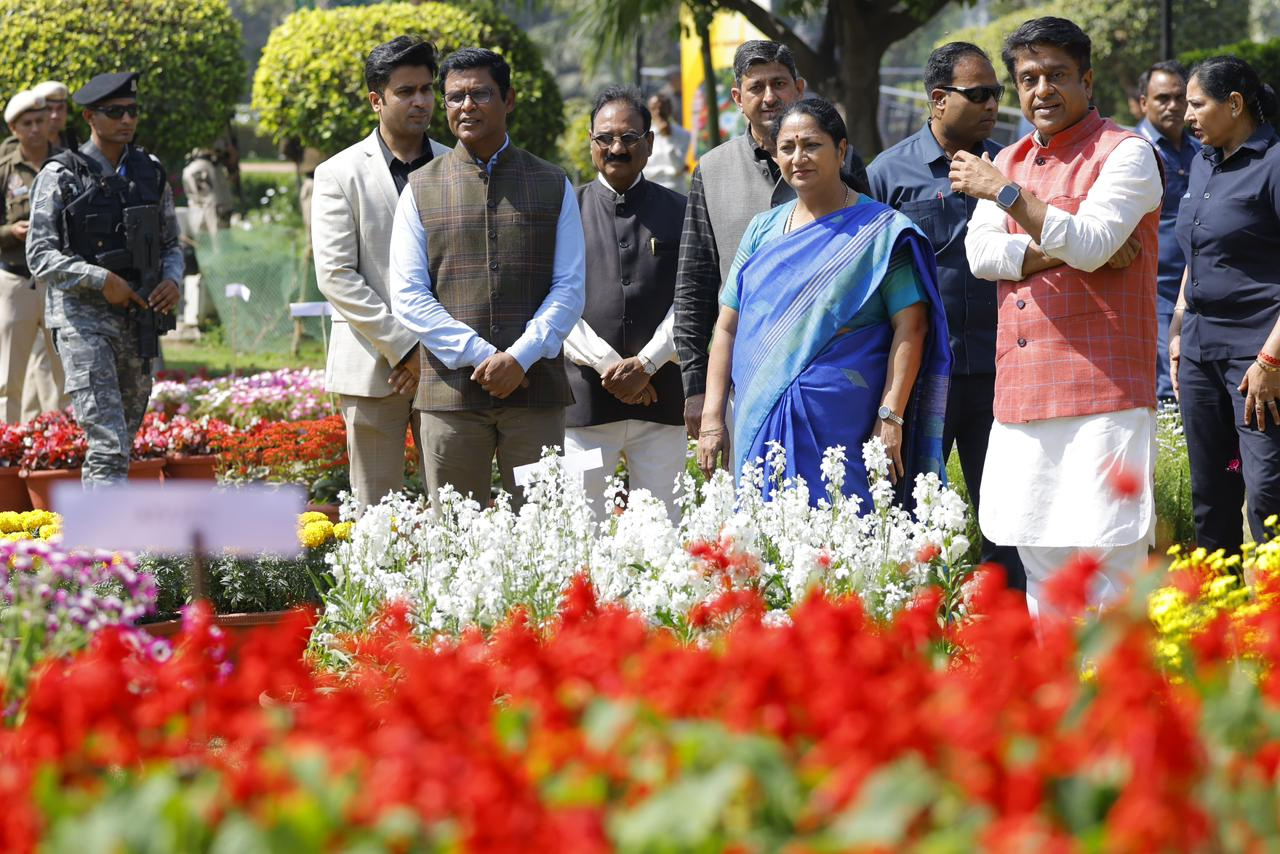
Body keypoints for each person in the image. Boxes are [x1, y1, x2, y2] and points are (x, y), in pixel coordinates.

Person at [956, 17, 1163, 616]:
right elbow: (981, 256)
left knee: (1110, 556)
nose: (1042, 90)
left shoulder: (1127, 153)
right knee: (1042, 560)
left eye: (1057, 75)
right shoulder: (1010, 158)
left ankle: (1117, 679)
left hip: (1104, 391)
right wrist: (1060, 246)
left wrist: (1007, 196)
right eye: (1028, 78)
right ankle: (1057, 678)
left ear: (1087, 81)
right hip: (1023, 394)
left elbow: (1094, 242)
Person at [697, 98, 950, 510]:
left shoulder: (881, 232)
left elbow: (912, 326)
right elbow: (727, 326)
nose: (798, 158)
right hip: (759, 415)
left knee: (845, 532)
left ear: (841, 150)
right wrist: (712, 418)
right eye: (787, 147)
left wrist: (890, 416)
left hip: (845, 422)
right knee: (764, 536)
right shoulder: (762, 230)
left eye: (812, 145)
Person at [389, 48, 585, 509]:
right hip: (451, 398)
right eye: (455, 97)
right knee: (457, 535)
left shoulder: (552, 182)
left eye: (480, 94)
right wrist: (481, 354)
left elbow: (570, 286)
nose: (466, 106)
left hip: (534, 393)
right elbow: (408, 295)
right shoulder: (419, 187)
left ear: (508, 99)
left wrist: (520, 357)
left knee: (542, 531)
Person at [867, 42, 1024, 592]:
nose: (992, 104)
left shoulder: (1010, 167)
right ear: (938, 99)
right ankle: (924, 625)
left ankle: (1007, 626)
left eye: (996, 93)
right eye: (978, 94)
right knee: (914, 514)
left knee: (1006, 517)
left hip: (1001, 372)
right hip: (923, 376)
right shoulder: (888, 174)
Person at [675, 40, 870, 440]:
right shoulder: (712, 170)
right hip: (745, 377)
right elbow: (694, 284)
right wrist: (697, 388)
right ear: (737, 98)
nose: (769, 97)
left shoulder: (841, 160)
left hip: (833, 376)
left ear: (799, 89)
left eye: (779, 84)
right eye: (756, 87)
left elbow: (870, 260)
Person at [312, 36, 451, 509]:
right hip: (373, 369)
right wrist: (405, 348)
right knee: (375, 514)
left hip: (448, 365)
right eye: (405, 91)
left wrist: (433, 348)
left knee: (456, 510)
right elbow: (336, 275)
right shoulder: (339, 173)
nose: (421, 101)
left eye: (427, 89)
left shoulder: (457, 165)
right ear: (377, 100)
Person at [25, 71, 182, 485]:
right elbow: (39, 255)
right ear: (89, 117)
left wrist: (172, 280)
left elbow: (171, 243)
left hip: (139, 322)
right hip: (83, 322)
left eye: (132, 111)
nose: (126, 120)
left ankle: (101, 524)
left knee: (122, 444)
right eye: (115, 112)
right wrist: (99, 279)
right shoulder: (61, 175)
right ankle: (103, 528)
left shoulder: (150, 171)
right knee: (108, 443)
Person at [1171, 55, 1280, 553]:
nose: (1186, 115)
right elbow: (1198, 249)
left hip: (1258, 357)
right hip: (1200, 351)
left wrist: (1270, 360)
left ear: (1235, 104)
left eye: (1197, 104)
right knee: (1211, 491)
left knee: (1267, 490)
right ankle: (1220, 599)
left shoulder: (1273, 164)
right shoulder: (1203, 161)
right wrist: (1178, 329)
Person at [563, 86, 687, 521]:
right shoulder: (565, 210)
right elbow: (554, 301)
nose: (617, 148)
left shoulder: (682, 211)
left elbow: (692, 299)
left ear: (649, 143)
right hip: (585, 403)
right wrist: (610, 367)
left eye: (629, 138)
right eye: (605, 138)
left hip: (661, 402)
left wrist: (648, 364)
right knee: (581, 531)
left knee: (663, 531)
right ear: (591, 142)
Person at [1136, 61, 1199, 403]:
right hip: (1155, 286)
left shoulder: (1202, 148)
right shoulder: (1133, 151)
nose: (1173, 106)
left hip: (1200, 282)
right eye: (1163, 98)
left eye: (1180, 97)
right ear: (1143, 102)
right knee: (1168, 377)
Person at [0, 91, 61, 424]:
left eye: (40, 120)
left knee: (65, 373)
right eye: (28, 123)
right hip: (16, 279)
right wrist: (11, 231)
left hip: (59, 281)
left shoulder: (67, 163)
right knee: (8, 376)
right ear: (14, 128)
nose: (36, 128)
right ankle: (5, 444)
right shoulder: (4, 169)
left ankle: (62, 442)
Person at [645, 91, 692, 193]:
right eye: (654, 108)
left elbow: (678, 166)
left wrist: (667, 137)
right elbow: (643, 171)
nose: (658, 112)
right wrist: (669, 171)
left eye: (662, 108)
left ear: (670, 110)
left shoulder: (684, 134)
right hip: (651, 191)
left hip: (677, 192)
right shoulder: (643, 136)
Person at [181, 147, 233, 237]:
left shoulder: (187, 170)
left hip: (197, 209)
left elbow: (189, 192)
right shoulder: (214, 168)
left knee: (200, 240)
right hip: (217, 208)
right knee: (220, 239)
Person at [32, 81, 79, 151]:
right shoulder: (22, 150)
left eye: (60, 108)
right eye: (49, 109)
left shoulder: (75, 148)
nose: (55, 116)